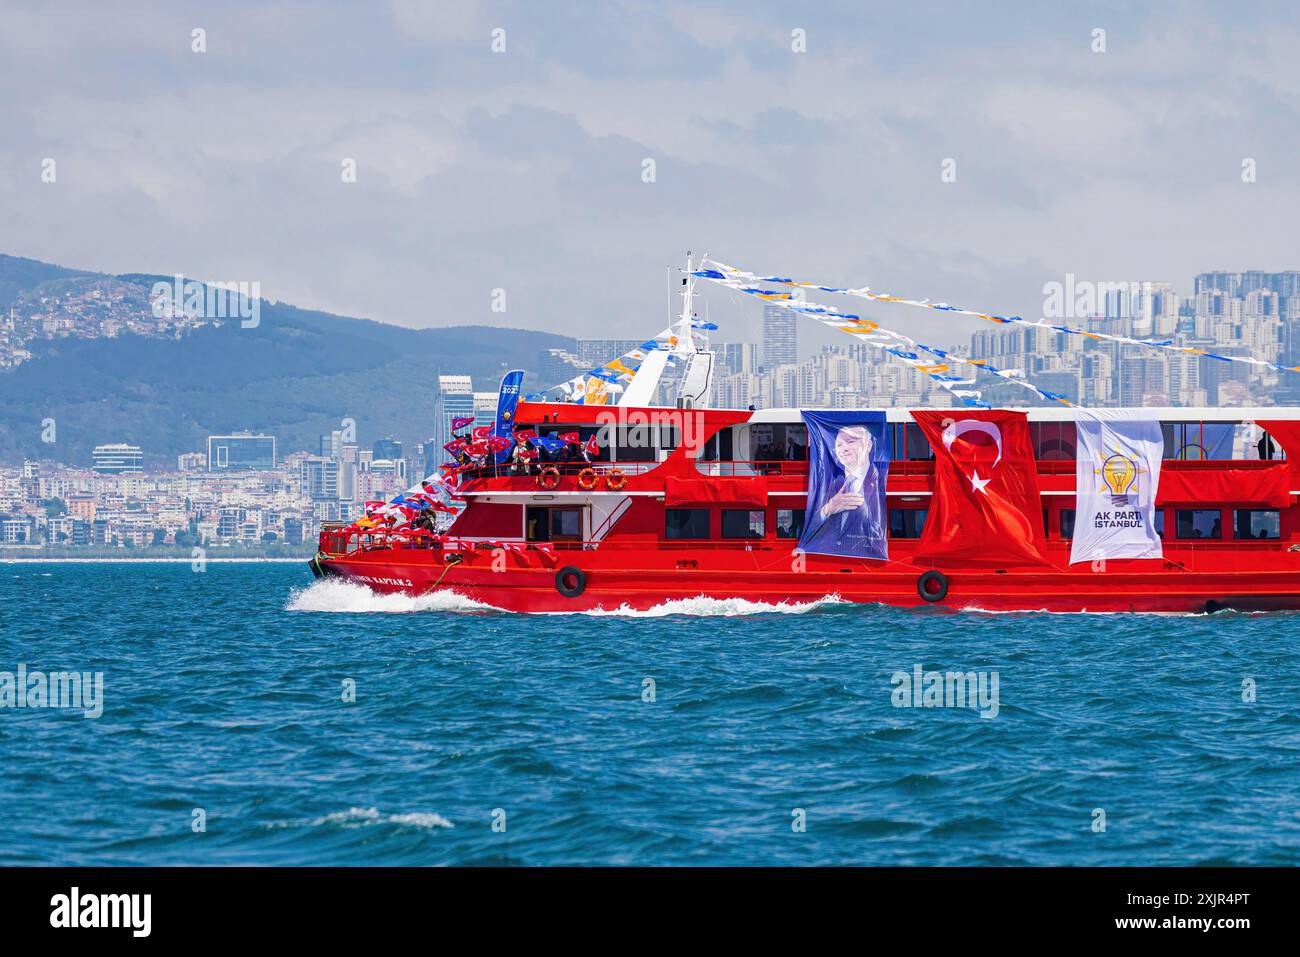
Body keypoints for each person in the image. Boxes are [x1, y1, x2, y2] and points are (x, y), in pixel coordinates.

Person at [799, 425, 886, 559]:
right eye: (839, 445)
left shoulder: (880, 479)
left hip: (863, 560)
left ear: (868, 445)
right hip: (826, 561)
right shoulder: (829, 484)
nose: (843, 449)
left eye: (850, 441)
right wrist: (827, 509)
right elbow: (807, 532)